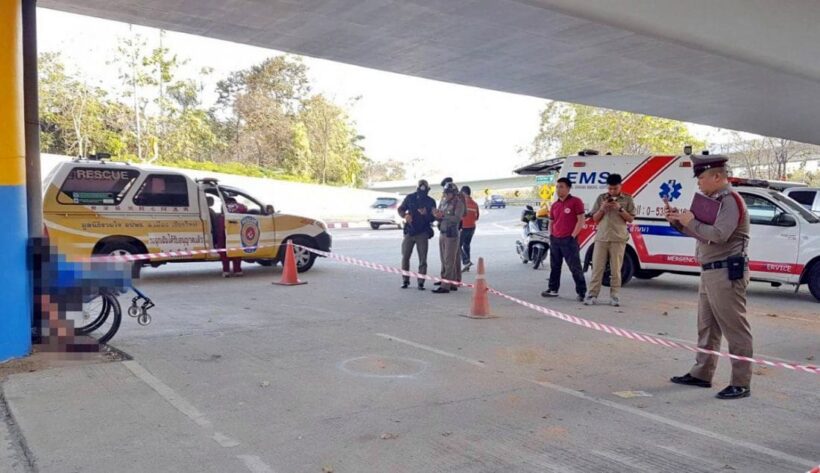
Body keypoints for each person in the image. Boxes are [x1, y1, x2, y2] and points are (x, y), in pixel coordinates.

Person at [666, 155, 753, 400]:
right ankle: (702, 373)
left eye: (702, 177)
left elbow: (719, 234)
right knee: (707, 327)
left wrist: (690, 220)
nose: (699, 183)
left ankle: (741, 382)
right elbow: (701, 234)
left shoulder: (730, 201)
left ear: (717, 176)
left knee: (735, 328)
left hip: (726, 271)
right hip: (711, 270)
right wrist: (678, 223)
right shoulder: (713, 200)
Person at [585, 174, 636, 307]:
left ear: (620, 186)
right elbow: (595, 218)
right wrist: (602, 209)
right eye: (610, 189)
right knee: (597, 268)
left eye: (615, 188)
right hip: (601, 238)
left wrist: (619, 208)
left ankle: (615, 296)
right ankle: (592, 295)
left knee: (616, 269)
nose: (612, 191)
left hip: (618, 238)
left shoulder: (628, 199)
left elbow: (630, 219)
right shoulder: (601, 198)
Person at [542, 177, 587, 301]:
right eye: (557, 187)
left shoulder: (576, 202)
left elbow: (581, 220)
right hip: (555, 240)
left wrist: (572, 236)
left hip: (569, 240)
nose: (558, 189)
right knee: (555, 266)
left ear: (568, 188)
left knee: (575, 267)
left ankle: (581, 292)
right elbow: (551, 221)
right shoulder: (555, 205)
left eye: (561, 186)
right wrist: (551, 235)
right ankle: (553, 289)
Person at [397, 179, 437, 290]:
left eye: (425, 187)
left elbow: (433, 218)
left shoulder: (431, 201)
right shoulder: (410, 198)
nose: (423, 189)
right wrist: (405, 216)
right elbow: (400, 209)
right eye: (421, 187)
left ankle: (421, 282)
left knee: (423, 259)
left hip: (423, 233)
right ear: (418, 188)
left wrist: (426, 214)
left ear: (428, 189)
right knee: (405, 257)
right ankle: (405, 280)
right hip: (410, 232)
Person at [433, 183, 465, 294]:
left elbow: (457, 218)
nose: (446, 194)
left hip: (452, 234)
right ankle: (448, 282)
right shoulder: (443, 202)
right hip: (442, 232)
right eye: (445, 192)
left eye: (448, 193)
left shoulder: (458, 204)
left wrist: (443, 216)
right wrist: (437, 216)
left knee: (449, 260)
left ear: (454, 193)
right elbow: (440, 215)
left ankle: (445, 286)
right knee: (443, 259)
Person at [219, 196, 245, 277]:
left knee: (224, 251)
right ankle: (237, 270)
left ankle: (226, 271)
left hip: (223, 227)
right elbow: (245, 210)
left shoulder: (223, 208)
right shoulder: (240, 207)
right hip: (236, 229)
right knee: (237, 249)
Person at [460, 186, 480, 272]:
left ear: (464, 193)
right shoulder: (475, 204)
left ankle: (466, 261)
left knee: (457, 245)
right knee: (466, 245)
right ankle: (467, 266)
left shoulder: (462, 203)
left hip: (463, 228)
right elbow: (477, 217)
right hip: (472, 227)